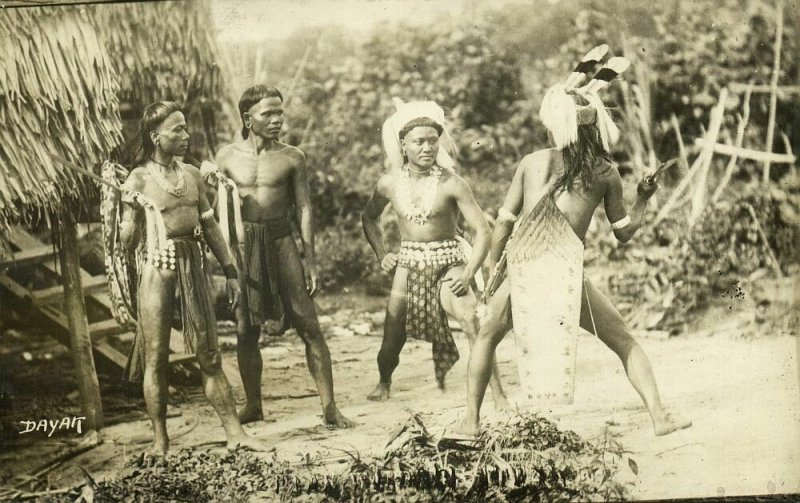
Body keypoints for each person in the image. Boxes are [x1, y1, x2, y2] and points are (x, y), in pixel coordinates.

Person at [459, 57, 692, 437]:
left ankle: (470, 421)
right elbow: (624, 231)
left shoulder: (532, 163)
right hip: (566, 277)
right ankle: (659, 418)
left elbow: (503, 224)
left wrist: (493, 277)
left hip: (526, 271)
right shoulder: (605, 172)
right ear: (593, 127)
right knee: (624, 341)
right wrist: (644, 198)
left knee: (486, 337)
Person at [119, 101, 267, 455]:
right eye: (176, 130)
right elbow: (126, 241)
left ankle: (236, 434)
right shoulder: (137, 179)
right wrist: (127, 208)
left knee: (210, 356)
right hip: (156, 268)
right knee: (156, 359)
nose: (186, 136)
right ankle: (160, 441)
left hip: (193, 268)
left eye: (185, 128)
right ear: (156, 136)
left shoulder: (192, 175)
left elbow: (210, 225)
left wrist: (230, 271)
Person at [212, 85, 353, 428]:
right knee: (246, 328)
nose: (277, 120)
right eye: (267, 114)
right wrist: (225, 262)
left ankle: (330, 407)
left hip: (280, 239)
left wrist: (312, 260)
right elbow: (217, 211)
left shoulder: (292, 157)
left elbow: (304, 208)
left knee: (309, 324)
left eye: (280, 113)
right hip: (245, 245)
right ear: (248, 119)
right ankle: (254, 405)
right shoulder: (226, 157)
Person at [361, 99, 508, 408]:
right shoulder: (389, 183)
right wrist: (382, 253)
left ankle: (498, 394)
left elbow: (482, 231)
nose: (427, 147)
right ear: (404, 145)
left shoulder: (453, 184)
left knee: (472, 321)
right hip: (409, 262)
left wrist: (468, 273)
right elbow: (368, 217)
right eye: (419, 142)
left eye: (432, 140)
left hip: (449, 261)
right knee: (392, 334)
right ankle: (384, 381)